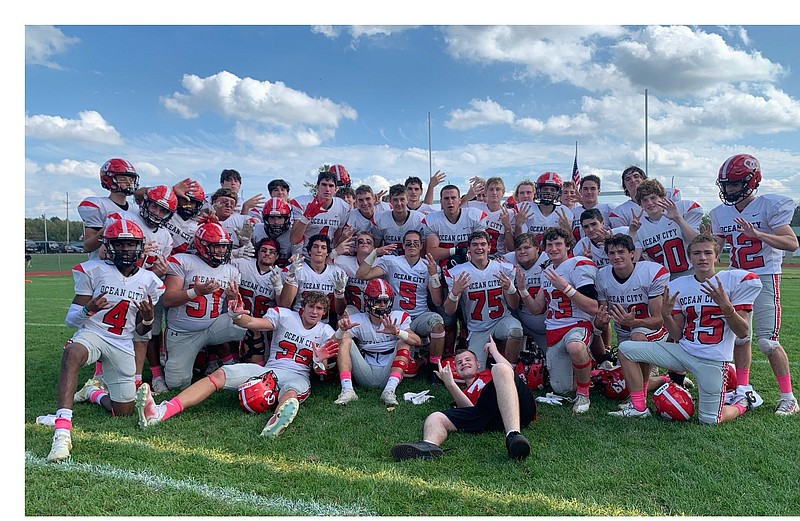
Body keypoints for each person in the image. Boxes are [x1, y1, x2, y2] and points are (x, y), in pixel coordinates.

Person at [135, 291, 339, 438]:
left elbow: (321, 372)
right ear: (302, 308)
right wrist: (238, 316)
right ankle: (161, 412)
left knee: (290, 395)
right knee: (220, 375)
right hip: (270, 369)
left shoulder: (325, 332)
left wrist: (319, 361)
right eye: (311, 306)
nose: (314, 311)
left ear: (324, 313)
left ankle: (275, 423)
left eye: (320, 309)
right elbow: (252, 323)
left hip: (298, 376)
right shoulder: (285, 316)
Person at [46, 218, 164, 462]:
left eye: (130, 245)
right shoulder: (94, 271)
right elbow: (71, 321)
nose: (125, 250)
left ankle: (93, 392)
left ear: (139, 247)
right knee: (72, 353)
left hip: (122, 342)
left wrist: (149, 319)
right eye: (119, 244)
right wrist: (88, 309)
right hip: (95, 334)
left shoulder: (150, 281)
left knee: (123, 411)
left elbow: (141, 332)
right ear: (108, 246)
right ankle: (62, 430)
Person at [612, 234, 762, 423]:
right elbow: (677, 334)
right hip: (683, 351)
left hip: (713, 360)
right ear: (690, 257)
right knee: (627, 349)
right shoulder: (679, 285)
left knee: (710, 420)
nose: (702, 258)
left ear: (716, 256)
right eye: (697, 253)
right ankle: (639, 407)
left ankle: (743, 403)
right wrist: (666, 315)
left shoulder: (734, 281)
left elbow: (743, 332)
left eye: (708, 253)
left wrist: (726, 307)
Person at [710, 154, 799, 415]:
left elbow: (792, 243)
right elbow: (714, 247)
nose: (729, 190)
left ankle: (789, 397)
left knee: (767, 342)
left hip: (764, 275)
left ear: (751, 181)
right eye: (726, 185)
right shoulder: (720, 213)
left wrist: (758, 234)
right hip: (737, 278)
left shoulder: (770, 205)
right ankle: (743, 390)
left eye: (734, 184)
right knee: (741, 337)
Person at [390, 339, 534, 461]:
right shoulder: (463, 392)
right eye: (459, 363)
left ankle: (514, 436)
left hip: (519, 408)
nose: (463, 363)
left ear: (478, 364)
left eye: (468, 360)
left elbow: (508, 372)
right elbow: (471, 409)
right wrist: (450, 384)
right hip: (487, 416)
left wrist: (495, 352)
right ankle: (428, 445)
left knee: (501, 369)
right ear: (456, 371)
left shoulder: (488, 374)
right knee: (436, 416)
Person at [516, 227, 598, 413]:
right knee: (562, 389)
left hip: (577, 324)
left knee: (575, 346)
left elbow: (592, 307)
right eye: (549, 244)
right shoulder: (547, 272)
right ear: (544, 248)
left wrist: (566, 288)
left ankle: (584, 394)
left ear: (568, 246)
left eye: (558, 244)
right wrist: (522, 289)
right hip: (554, 330)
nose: (553, 248)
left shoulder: (579, 264)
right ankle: (592, 375)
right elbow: (537, 309)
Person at [161, 222, 246, 390]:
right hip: (183, 333)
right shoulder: (183, 261)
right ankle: (175, 358)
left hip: (213, 327)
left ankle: (239, 365)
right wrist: (195, 292)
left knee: (247, 324)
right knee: (177, 384)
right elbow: (167, 300)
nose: (221, 251)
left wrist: (232, 299)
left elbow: (230, 308)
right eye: (216, 247)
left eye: (224, 247)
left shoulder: (231, 271)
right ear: (201, 245)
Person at [356, 229, 446, 382]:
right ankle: (419, 358)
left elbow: (437, 301)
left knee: (437, 323)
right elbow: (362, 274)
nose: (412, 246)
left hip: (418, 316)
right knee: (409, 370)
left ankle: (433, 367)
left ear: (421, 246)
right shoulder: (392, 262)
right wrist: (375, 252)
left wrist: (433, 275)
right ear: (403, 245)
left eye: (416, 243)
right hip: (396, 317)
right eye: (408, 243)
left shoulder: (429, 266)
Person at [594, 233, 674, 391]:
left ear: (632, 253)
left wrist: (635, 322)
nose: (616, 257)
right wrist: (600, 322)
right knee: (621, 385)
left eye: (621, 252)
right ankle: (663, 379)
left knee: (637, 336)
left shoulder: (650, 273)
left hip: (651, 331)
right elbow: (602, 315)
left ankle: (641, 392)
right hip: (624, 334)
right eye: (612, 253)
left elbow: (659, 320)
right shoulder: (602, 276)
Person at [332, 279, 421, 406]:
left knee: (404, 341)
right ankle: (347, 389)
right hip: (365, 370)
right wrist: (341, 330)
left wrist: (397, 332)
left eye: (386, 301)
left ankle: (390, 390)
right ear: (368, 302)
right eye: (378, 301)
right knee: (344, 340)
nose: (383, 305)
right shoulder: (358, 320)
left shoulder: (399, 317)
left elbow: (417, 341)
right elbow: (333, 343)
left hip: (389, 371)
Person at [443, 231, 523, 368]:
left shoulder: (503, 268)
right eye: (474, 244)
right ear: (469, 249)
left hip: (500, 320)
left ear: (489, 247)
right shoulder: (458, 272)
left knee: (515, 330)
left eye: (482, 244)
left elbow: (514, 305)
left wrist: (510, 288)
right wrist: (454, 293)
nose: (479, 248)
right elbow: (449, 310)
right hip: (477, 328)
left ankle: (511, 370)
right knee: (475, 371)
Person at [633, 179, 702, 280]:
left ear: (662, 198)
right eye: (645, 200)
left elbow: (698, 244)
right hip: (662, 279)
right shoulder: (640, 226)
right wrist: (632, 232)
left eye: (653, 198)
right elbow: (634, 260)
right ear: (640, 204)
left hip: (690, 273)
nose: (650, 203)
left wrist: (678, 219)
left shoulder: (681, 210)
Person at [277, 234, 347, 327]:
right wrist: (290, 277)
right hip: (297, 321)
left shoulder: (337, 273)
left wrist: (339, 294)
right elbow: (285, 305)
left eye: (323, 248)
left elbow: (340, 311)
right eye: (315, 247)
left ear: (327, 252)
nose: (319, 250)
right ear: (309, 251)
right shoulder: (298, 269)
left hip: (322, 325)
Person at [232, 238, 282, 365]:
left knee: (258, 363)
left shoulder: (281, 274)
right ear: (258, 252)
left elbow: (283, 305)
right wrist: (234, 253)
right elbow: (219, 264)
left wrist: (278, 288)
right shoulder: (243, 264)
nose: (267, 254)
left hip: (261, 325)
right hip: (237, 318)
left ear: (277, 256)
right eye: (263, 250)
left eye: (272, 252)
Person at [79, 158, 140, 260]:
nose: (129, 183)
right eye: (123, 179)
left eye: (131, 179)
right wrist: (107, 230)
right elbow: (88, 246)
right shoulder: (98, 205)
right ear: (109, 180)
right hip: (103, 265)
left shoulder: (136, 209)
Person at [289, 170, 350, 260]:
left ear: (336, 189)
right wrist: (306, 218)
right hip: (305, 256)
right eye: (324, 185)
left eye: (331, 186)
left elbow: (337, 235)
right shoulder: (303, 203)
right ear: (317, 187)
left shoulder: (343, 206)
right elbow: (294, 239)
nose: (327, 189)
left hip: (327, 256)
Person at [505, 233, 548, 357]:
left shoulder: (549, 261)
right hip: (522, 319)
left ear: (537, 248)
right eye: (518, 249)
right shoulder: (507, 261)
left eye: (527, 247)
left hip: (548, 322)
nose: (522, 252)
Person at [607, 165, 680, 229]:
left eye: (636, 176)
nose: (633, 180)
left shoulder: (669, 194)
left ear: (644, 179)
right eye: (628, 179)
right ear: (624, 186)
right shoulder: (620, 212)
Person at [513, 172, 573, 243]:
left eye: (552, 190)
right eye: (545, 189)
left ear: (558, 192)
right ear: (538, 190)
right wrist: (518, 225)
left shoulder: (565, 212)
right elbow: (519, 243)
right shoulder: (526, 208)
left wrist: (568, 230)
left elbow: (571, 244)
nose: (548, 192)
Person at [462, 177, 516, 255]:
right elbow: (455, 209)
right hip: (475, 255)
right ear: (486, 192)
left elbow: (511, 248)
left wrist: (507, 226)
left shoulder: (509, 214)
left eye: (498, 189)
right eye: (491, 189)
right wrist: (467, 196)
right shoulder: (475, 206)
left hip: (496, 256)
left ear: (503, 192)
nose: (494, 193)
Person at [372, 184, 426, 256]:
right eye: (395, 200)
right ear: (390, 200)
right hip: (388, 261)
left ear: (407, 199)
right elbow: (376, 247)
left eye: (402, 199)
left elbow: (424, 249)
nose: (399, 203)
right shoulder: (380, 219)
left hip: (412, 260)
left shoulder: (419, 219)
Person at [252, 197, 294, 268]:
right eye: (272, 218)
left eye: (280, 218)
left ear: (286, 218)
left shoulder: (292, 234)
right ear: (266, 219)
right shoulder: (256, 230)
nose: (276, 222)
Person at [571, 174, 615, 240]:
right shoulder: (572, 212)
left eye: (593, 189)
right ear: (580, 191)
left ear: (599, 191)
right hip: (580, 248)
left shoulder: (609, 209)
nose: (589, 192)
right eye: (585, 189)